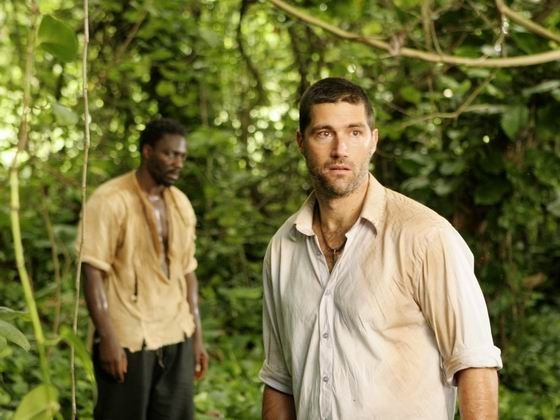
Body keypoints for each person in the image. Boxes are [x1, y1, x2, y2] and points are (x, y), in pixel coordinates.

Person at [260, 77, 502, 419]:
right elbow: (279, 379)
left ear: (373, 141)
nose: (340, 149)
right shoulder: (283, 248)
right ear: (301, 141)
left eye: (355, 132)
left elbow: (475, 364)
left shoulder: (426, 238)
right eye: (324, 133)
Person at [79, 118, 208, 420]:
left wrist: (197, 336)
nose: (177, 163)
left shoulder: (180, 204)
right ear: (147, 152)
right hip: (128, 336)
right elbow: (92, 271)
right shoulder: (110, 200)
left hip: (176, 331)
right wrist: (108, 338)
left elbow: (187, 272)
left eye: (182, 156)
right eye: (169, 154)